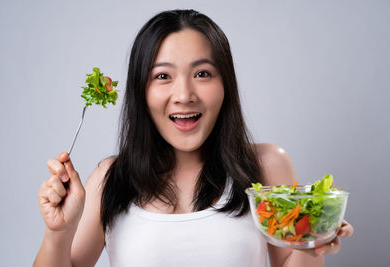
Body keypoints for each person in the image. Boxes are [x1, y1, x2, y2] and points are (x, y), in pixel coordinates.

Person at [34, 9, 353, 267]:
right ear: (140, 91)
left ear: (225, 84)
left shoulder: (267, 165)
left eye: (202, 73)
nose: (184, 95)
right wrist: (57, 232)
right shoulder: (110, 178)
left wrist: (312, 240)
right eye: (162, 76)